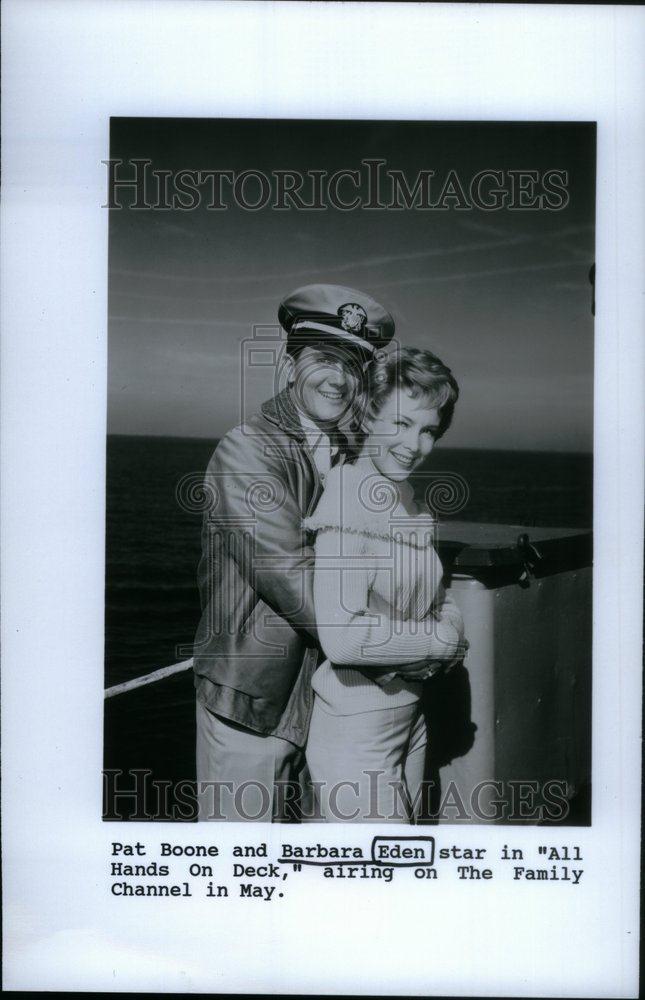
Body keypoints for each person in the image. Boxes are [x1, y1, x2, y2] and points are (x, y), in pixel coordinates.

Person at [193, 283, 399, 821]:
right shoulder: (247, 449)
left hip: (332, 695)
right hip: (255, 696)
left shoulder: (355, 455)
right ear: (289, 367)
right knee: (241, 866)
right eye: (324, 359)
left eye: (353, 366)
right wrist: (398, 644)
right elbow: (289, 572)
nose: (338, 377)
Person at [303, 346, 466, 823]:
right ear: (365, 419)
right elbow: (344, 639)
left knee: (404, 862)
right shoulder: (347, 500)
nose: (415, 445)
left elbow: (440, 600)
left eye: (428, 430)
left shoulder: (408, 503)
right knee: (381, 883)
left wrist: (444, 637)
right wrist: (440, 643)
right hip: (356, 732)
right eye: (399, 423)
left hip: (411, 718)